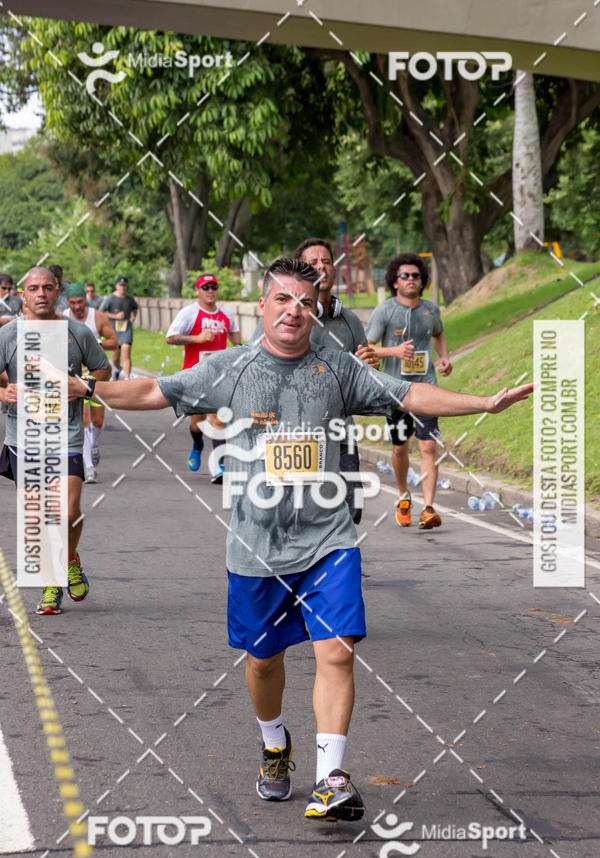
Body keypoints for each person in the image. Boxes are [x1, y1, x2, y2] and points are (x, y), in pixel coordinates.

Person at [70, 257, 532, 821]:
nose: (294, 310)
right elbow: (151, 392)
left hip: (329, 538)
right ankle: (274, 744)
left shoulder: (335, 368)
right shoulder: (229, 369)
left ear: (314, 311)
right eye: (283, 299)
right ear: (262, 306)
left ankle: (330, 778)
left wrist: (485, 403)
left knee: (336, 651)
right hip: (256, 543)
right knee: (263, 662)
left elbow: (408, 396)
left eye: (304, 302)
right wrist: (88, 387)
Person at [0, 267, 111, 614]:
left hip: (67, 436)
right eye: (34, 288)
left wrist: (82, 386)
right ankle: (52, 585)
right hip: (25, 437)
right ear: (23, 294)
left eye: (48, 287)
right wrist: (6, 392)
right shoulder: (9, 334)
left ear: (58, 291)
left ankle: (70, 558)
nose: (41, 294)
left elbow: (103, 369)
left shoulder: (77, 333)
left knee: (68, 512)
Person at [250, 239, 379, 523]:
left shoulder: (349, 321)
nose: (321, 267)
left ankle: (337, 562)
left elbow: (363, 372)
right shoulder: (283, 317)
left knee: (350, 508)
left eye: (326, 262)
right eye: (312, 263)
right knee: (290, 512)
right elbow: (255, 363)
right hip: (290, 433)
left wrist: (370, 364)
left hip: (338, 430)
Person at [366, 253, 452, 529]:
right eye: (405, 276)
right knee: (400, 448)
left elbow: (437, 334)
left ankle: (428, 508)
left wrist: (444, 357)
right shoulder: (385, 311)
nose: (411, 279)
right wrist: (394, 351)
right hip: (396, 392)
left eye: (416, 275)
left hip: (427, 387)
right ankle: (403, 497)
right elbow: (366, 347)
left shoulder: (430, 310)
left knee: (428, 446)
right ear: (394, 282)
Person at [165, 273, 240, 483]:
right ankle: (197, 446)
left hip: (220, 376)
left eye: (213, 287)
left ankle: (218, 465)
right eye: (205, 287)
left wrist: (241, 356)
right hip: (195, 375)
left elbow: (236, 339)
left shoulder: (226, 314)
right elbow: (170, 337)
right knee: (197, 423)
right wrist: (196, 338)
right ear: (198, 291)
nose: (210, 291)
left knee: (217, 418)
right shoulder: (189, 313)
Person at [62, 282, 118, 483]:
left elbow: (114, 341)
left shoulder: (98, 317)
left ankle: (93, 444)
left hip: (98, 375)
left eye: (80, 302)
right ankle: (89, 466)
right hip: (76, 377)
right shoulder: (62, 318)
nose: (77, 306)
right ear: (67, 302)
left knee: (98, 421)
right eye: (72, 302)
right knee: (83, 419)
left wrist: (95, 343)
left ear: (85, 299)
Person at [102, 276, 138, 380]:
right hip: (114, 330)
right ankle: (117, 370)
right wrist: (115, 316)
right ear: (116, 286)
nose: (122, 287)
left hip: (126, 329)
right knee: (116, 356)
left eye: (124, 285)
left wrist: (133, 316)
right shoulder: (110, 298)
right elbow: (102, 312)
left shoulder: (129, 299)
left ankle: (127, 378)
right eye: (120, 285)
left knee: (126, 351)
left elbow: (135, 309)